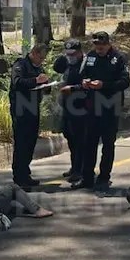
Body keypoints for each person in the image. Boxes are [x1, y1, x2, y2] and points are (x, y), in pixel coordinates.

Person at [72, 31, 130, 193]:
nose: (99, 48)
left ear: (108, 44)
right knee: (88, 142)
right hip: (91, 106)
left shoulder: (119, 58)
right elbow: (82, 74)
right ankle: (87, 177)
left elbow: (125, 82)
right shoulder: (90, 56)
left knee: (108, 144)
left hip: (111, 107)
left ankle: (104, 177)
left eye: (102, 45)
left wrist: (104, 85)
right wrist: (84, 82)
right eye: (96, 45)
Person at [8, 43, 51, 188]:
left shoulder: (38, 68)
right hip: (20, 109)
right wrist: (35, 81)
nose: (42, 61)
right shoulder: (20, 65)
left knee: (31, 142)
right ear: (34, 53)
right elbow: (17, 82)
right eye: (41, 57)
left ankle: (25, 173)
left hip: (33, 108)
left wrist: (47, 83)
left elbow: (44, 87)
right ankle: (19, 176)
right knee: (21, 143)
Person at [53, 39, 88, 183]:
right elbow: (57, 68)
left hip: (81, 108)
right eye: (67, 54)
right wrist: (63, 57)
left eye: (72, 54)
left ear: (80, 52)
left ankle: (80, 170)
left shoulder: (86, 64)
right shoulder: (68, 62)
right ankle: (74, 167)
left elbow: (88, 85)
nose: (70, 56)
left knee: (79, 140)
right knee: (70, 137)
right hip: (67, 107)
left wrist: (73, 89)